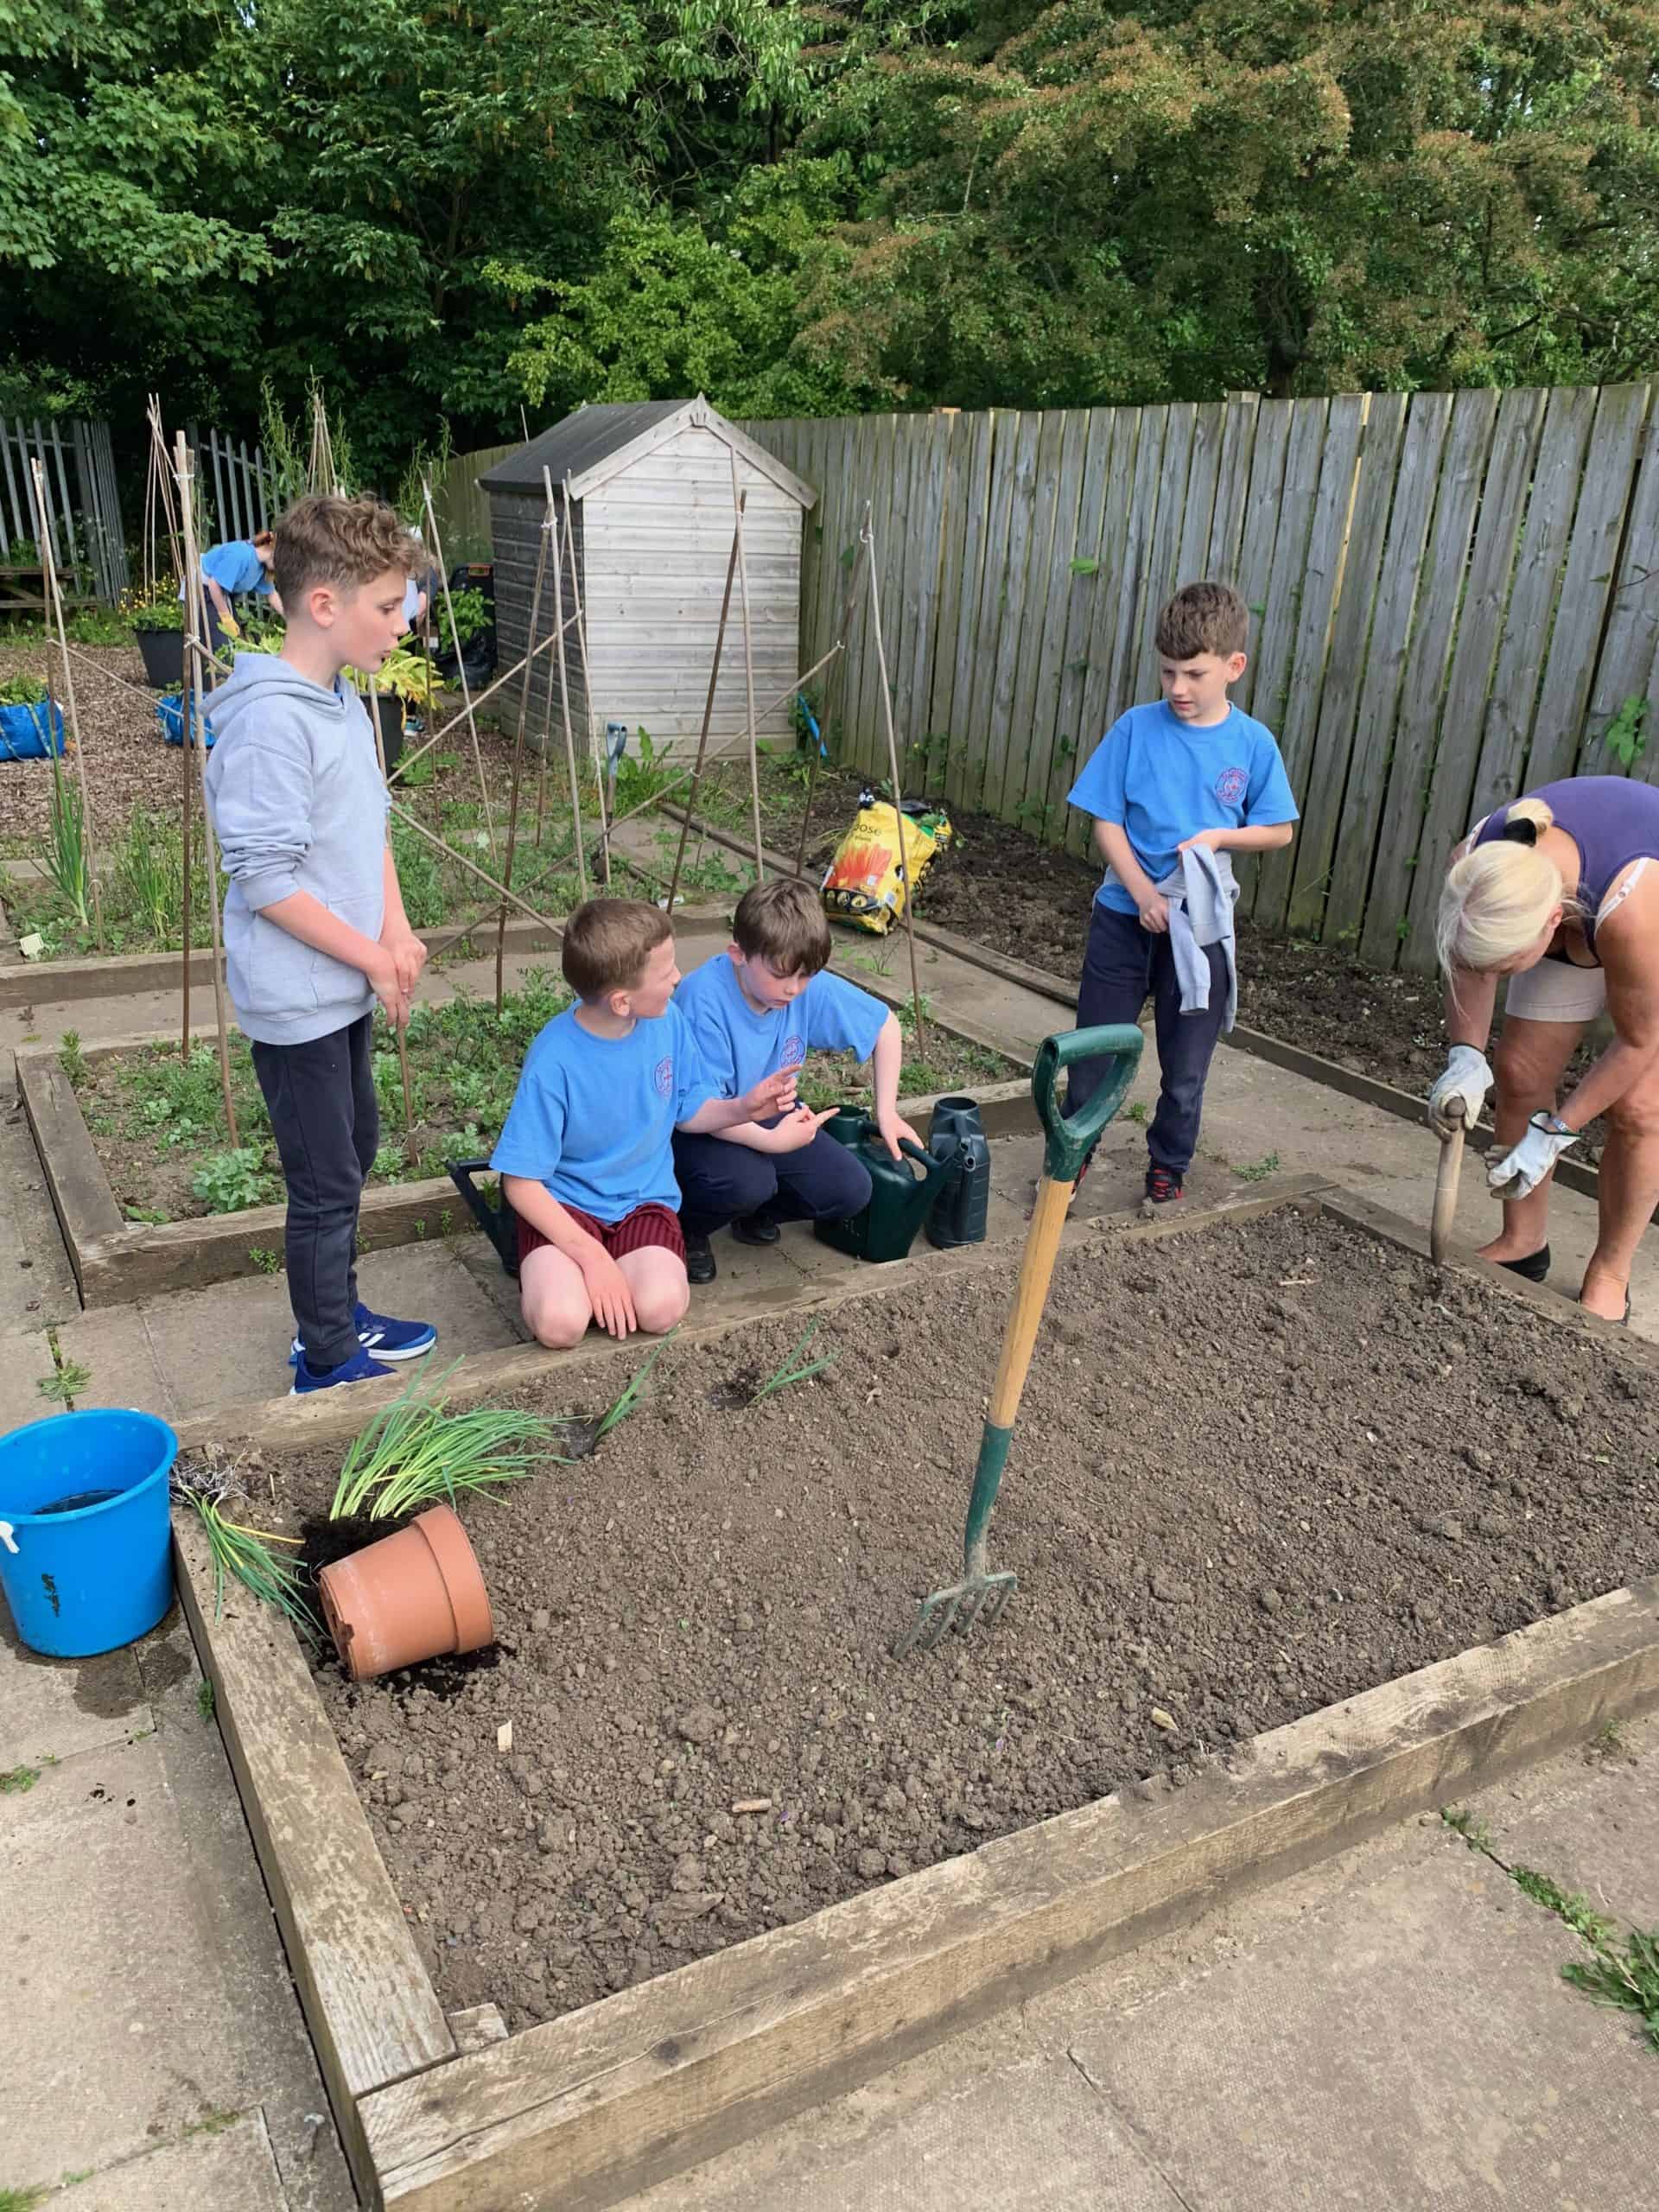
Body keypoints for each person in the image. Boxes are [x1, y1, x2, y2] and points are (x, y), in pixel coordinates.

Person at [203, 495, 435, 1394]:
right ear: (325, 605)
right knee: (325, 1179)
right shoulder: (270, 722)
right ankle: (326, 1355)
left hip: (340, 984)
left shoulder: (340, 703)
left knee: (355, 1148)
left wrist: (396, 930)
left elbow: (369, 829)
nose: (404, 623)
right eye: (389, 606)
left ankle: (340, 1311)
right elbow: (265, 879)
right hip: (297, 999)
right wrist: (371, 956)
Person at [1063, 579, 1299, 1203]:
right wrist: (1143, 894)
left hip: (1200, 929)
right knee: (1092, 1055)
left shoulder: (1252, 744)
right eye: (1168, 671)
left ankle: (1168, 1166)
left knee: (1186, 1069)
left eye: (1194, 674)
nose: (1177, 688)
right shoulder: (1135, 730)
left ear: (1234, 667)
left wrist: (1220, 836)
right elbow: (1105, 820)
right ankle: (1070, 1160)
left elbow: (1278, 829)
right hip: (1124, 918)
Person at [491, 899, 801, 1347]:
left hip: (642, 1203)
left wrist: (743, 1109)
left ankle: (601, 1278)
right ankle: (574, 1275)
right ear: (622, 1001)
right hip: (567, 1207)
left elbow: (688, 1109)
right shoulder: (554, 1059)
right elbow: (520, 1182)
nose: (678, 978)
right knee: (560, 1324)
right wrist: (592, 1257)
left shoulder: (668, 1022)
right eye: (666, 972)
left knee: (661, 1309)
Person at [1429, 779, 1659, 1322]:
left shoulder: (1632, 909)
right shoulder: (1478, 868)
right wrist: (1465, 1056)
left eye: (1508, 966)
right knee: (1520, 1070)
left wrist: (1553, 1135)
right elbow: (1470, 961)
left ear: (1553, 923)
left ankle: (1610, 1271)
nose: (1500, 976)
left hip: (1643, 915)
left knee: (1640, 1109)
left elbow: (1638, 1042)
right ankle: (1523, 1243)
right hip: (1580, 904)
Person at [671, 876, 922, 1283]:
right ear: (738, 955)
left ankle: (754, 1212)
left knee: (850, 1189)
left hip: (771, 1112)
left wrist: (887, 1112)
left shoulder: (802, 986)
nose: (793, 989)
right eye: (781, 975)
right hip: (708, 1123)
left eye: (805, 976)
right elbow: (695, 1112)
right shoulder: (703, 1000)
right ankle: (687, 1227)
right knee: (747, 1181)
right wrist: (773, 1141)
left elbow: (884, 1025)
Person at [195, 531, 283, 658]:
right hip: (203, 590)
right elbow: (214, 584)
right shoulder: (240, 554)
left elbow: (272, 596)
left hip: (222, 595)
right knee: (223, 647)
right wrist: (226, 617)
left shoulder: (262, 567)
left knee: (237, 642)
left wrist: (292, 619)